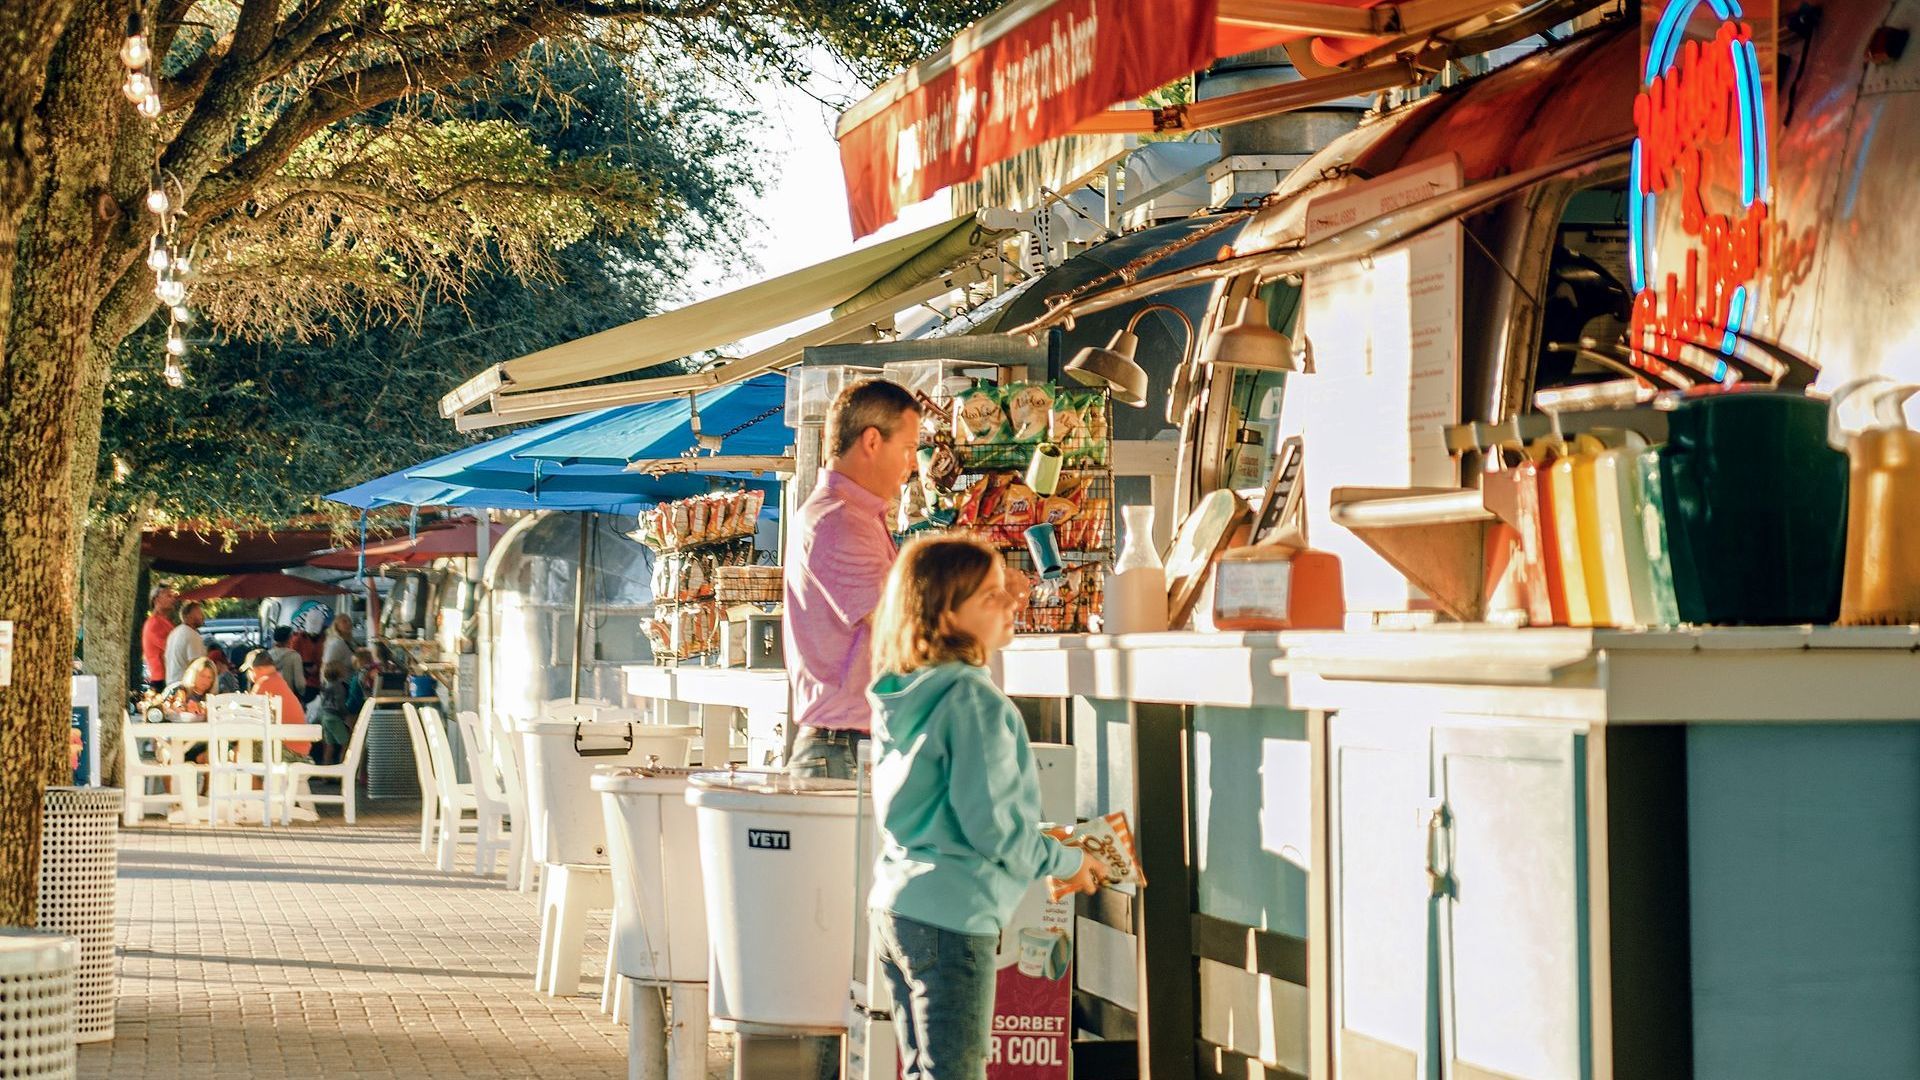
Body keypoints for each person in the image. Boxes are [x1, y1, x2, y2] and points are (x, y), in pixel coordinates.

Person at [866, 537, 1105, 1079]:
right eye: (992, 596)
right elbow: (992, 828)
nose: (1011, 602)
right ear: (949, 611)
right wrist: (1066, 860)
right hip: (951, 919)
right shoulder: (973, 700)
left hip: (897, 906)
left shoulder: (909, 692)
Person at [783, 379, 922, 781]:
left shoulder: (853, 516)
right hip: (842, 751)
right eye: (909, 448)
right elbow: (899, 629)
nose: (913, 463)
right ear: (873, 441)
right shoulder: (838, 521)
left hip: (847, 748)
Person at [244, 649, 312, 763]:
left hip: (288, 751)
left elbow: (248, 718)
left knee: (241, 754)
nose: (249, 675)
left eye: (249, 671)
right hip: (299, 750)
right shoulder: (278, 680)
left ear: (256, 669)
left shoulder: (264, 683)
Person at [310, 661, 353, 767]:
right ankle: (342, 768)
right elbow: (340, 704)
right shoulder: (339, 687)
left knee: (329, 745)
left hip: (325, 716)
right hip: (335, 717)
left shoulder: (325, 685)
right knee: (345, 744)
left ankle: (326, 769)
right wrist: (346, 716)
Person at [140, 586, 179, 692]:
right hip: (161, 681)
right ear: (156, 599)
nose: (173, 599)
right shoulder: (154, 623)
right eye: (168, 596)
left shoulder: (165, 622)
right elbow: (172, 649)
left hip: (169, 678)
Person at [163, 601, 208, 685]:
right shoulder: (192, 635)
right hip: (185, 687)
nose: (203, 616)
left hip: (171, 684)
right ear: (188, 616)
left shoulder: (174, 632)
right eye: (199, 613)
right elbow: (197, 666)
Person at [268, 626, 308, 696]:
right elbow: (300, 684)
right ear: (289, 639)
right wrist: (302, 693)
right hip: (288, 696)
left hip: (270, 695)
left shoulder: (267, 655)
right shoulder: (294, 656)